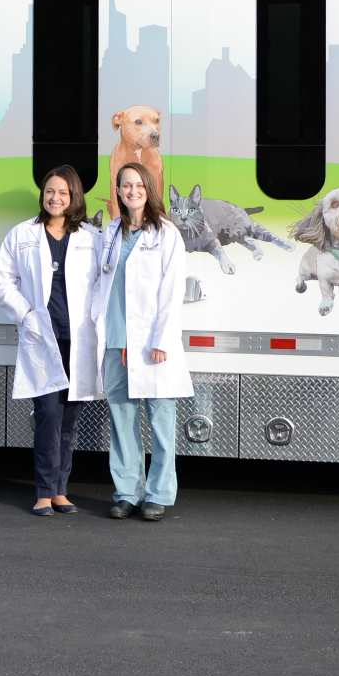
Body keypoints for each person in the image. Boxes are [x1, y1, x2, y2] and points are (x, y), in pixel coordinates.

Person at [0, 164, 100, 516]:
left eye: (63, 193)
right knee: (48, 414)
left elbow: (102, 284)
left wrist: (95, 318)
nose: (55, 198)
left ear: (74, 198)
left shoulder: (90, 237)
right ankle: (42, 491)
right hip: (43, 338)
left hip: (78, 339)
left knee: (69, 418)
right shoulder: (22, 234)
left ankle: (60, 491)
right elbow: (1, 281)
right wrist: (26, 315)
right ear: (43, 195)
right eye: (50, 191)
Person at [85, 160, 191, 521]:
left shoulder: (165, 233)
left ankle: (159, 493)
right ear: (117, 190)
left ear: (149, 189)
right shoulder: (110, 232)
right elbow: (101, 285)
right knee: (122, 421)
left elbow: (172, 290)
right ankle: (127, 492)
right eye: (125, 185)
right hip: (115, 339)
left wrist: (162, 337)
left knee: (161, 421)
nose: (132, 191)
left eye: (138, 185)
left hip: (151, 344)